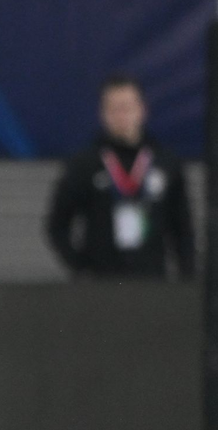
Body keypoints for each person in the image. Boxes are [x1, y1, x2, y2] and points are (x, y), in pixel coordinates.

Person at [46, 74, 195, 279]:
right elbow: (56, 225)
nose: (121, 116)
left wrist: (187, 278)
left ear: (142, 110)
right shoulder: (84, 164)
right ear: (102, 114)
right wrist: (81, 267)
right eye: (114, 109)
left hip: (153, 282)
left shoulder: (166, 162)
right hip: (101, 283)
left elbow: (183, 228)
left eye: (127, 107)